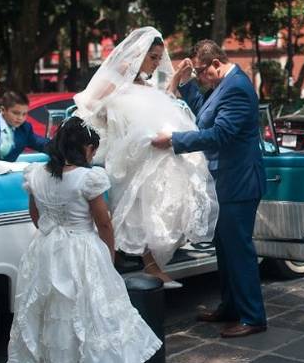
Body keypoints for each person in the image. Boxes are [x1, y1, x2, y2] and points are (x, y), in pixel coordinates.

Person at [0, 117, 161, 363]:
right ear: (85, 147)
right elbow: (104, 222)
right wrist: (108, 253)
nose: (93, 154)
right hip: (82, 249)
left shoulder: (37, 175)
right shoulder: (87, 178)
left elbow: (35, 215)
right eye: (92, 148)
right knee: (88, 315)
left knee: (51, 314)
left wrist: (51, 234)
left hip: (46, 250)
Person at [73, 27, 218, 288]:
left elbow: (158, 106)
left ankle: (154, 265)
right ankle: (146, 267)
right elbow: (89, 107)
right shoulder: (116, 81)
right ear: (138, 54)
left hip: (155, 151)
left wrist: (175, 82)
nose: (155, 63)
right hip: (130, 156)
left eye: (158, 57)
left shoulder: (145, 84)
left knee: (169, 195)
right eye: (152, 57)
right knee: (141, 209)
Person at [153, 40, 267, 339]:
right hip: (224, 182)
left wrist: (175, 140)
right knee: (225, 250)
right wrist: (184, 82)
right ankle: (231, 307)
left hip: (239, 182)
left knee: (239, 250)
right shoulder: (223, 86)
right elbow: (204, 113)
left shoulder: (238, 87)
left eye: (201, 71)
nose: (200, 77)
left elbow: (221, 133)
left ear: (216, 63)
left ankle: (252, 316)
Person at [0, 91, 48, 162]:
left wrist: (61, 147)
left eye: (24, 114)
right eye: (16, 113)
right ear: (3, 110)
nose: (20, 118)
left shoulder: (25, 128)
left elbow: (42, 144)